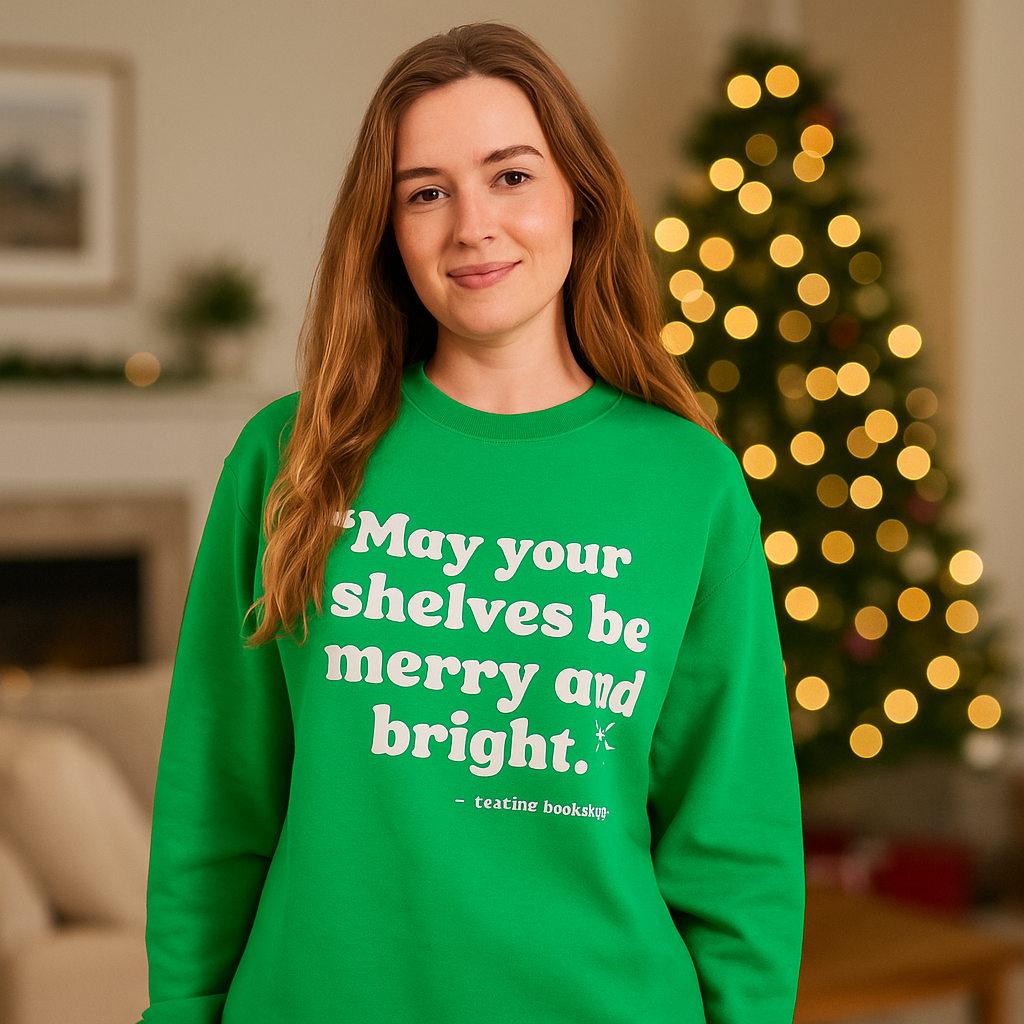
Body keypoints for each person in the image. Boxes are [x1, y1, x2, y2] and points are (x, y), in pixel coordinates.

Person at [140, 22, 803, 1024]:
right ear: (388, 227)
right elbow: (215, 801)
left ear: (575, 193)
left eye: (510, 176)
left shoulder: (688, 482)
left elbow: (734, 838)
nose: (471, 227)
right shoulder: (293, 454)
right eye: (425, 191)